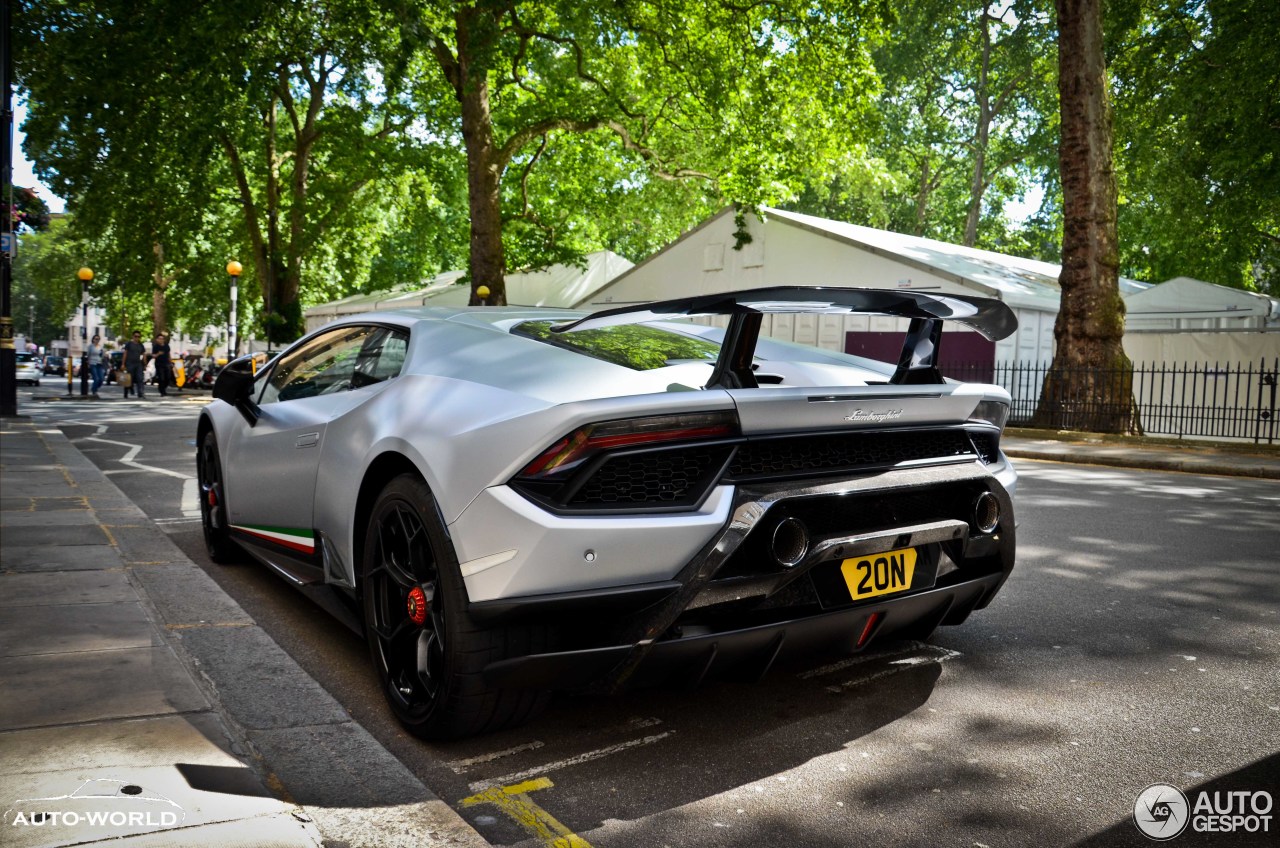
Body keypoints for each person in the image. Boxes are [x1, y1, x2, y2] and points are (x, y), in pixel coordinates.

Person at [121, 330, 148, 399]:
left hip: (138, 364)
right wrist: (123, 364)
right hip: (129, 363)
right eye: (135, 336)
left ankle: (140, 393)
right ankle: (126, 392)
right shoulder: (129, 344)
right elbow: (125, 353)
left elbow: (144, 354)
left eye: (138, 337)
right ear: (133, 336)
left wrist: (145, 364)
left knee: (140, 378)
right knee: (129, 379)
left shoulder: (141, 345)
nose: (137, 338)